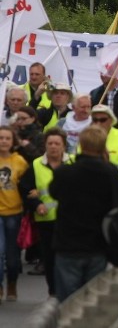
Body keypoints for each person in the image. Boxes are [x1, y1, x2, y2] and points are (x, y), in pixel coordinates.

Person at [50, 126, 118, 302]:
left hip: (68, 243)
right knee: (92, 300)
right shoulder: (111, 174)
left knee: (68, 301)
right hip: (98, 244)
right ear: (103, 147)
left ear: (81, 144)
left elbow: (53, 192)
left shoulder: (65, 172)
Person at [21, 127, 72, 296]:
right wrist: (36, 204)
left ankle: (67, 291)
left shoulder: (73, 164)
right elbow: (25, 189)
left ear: (64, 146)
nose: (53, 147)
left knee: (66, 258)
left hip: (69, 220)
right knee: (50, 259)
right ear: (45, 145)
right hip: (45, 220)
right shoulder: (36, 165)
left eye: (57, 143)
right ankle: (53, 292)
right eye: (50, 143)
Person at [0, 126, 27, 303]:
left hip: (14, 214)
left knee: (12, 255)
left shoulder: (19, 162)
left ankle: (12, 283)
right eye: (0, 138)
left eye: (7, 138)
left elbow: (26, 186)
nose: (3, 141)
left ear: (13, 142)